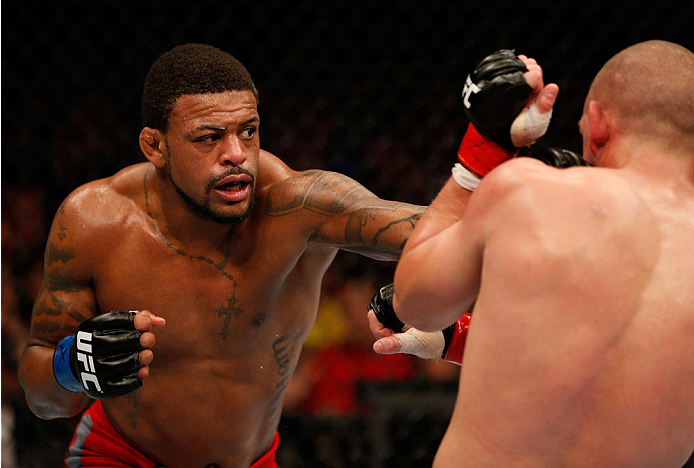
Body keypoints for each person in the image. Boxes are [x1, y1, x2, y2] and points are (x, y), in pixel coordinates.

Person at [16, 43, 428, 468]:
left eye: (248, 131)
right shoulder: (94, 222)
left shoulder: (302, 208)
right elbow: (41, 397)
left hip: (251, 460)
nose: (235, 153)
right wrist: (73, 365)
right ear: (155, 146)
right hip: (121, 455)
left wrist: (484, 157)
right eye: (208, 137)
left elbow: (436, 230)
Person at [370, 40, 694, 467]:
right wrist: (467, 341)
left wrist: (482, 152)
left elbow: (417, 302)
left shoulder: (532, 191)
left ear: (597, 123)